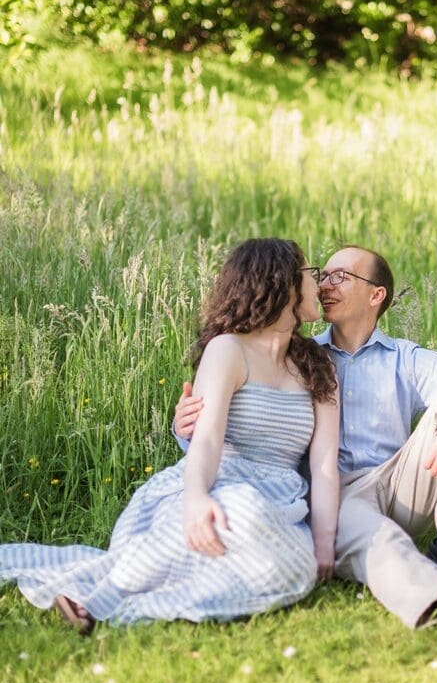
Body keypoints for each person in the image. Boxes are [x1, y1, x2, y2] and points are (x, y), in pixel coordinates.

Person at [175, 244, 437, 642]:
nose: (325, 285)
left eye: (342, 276)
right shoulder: (301, 357)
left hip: (402, 482)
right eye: (323, 275)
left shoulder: (404, 358)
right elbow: (249, 422)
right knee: (377, 540)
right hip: (338, 496)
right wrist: (186, 427)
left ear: (376, 295)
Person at [0, 239, 339, 632]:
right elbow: (208, 440)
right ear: (282, 284)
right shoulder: (229, 350)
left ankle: (130, 607)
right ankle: (101, 596)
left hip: (280, 510)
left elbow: (324, 462)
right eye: (310, 275)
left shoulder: (318, 365)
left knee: (294, 567)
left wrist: (324, 543)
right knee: (241, 508)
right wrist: (196, 499)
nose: (320, 284)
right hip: (211, 487)